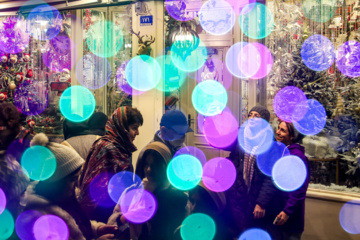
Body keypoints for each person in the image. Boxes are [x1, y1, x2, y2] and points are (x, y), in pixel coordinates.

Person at [22, 133, 117, 240]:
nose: (77, 184)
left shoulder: (64, 200)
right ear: (56, 183)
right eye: (73, 179)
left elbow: (77, 224)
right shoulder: (40, 218)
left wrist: (97, 229)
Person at [78, 106, 143, 223]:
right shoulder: (106, 147)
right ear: (122, 127)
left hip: (117, 212)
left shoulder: (123, 148)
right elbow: (94, 186)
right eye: (134, 128)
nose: (137, 133)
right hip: (101, 214)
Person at [225, 106, 276, 236]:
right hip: (238, 193)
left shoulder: (270, 143)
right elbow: (222, 143)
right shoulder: (240, 136)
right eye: (250, 115)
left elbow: (270, 177)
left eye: (256, 116)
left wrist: (261, 203)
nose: (252, 118)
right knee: (238, 230)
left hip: (256, 197)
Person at [134, 141, 188, 240]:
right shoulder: (142, 187)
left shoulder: (174, 196)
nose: (149, 169)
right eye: (146, 164)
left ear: (166, 165)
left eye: (155, 165)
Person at [266, 121, 310, 240]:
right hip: (276, 214)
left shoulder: (297, 156)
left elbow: (300, 189)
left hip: (290, 219)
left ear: (292, 137)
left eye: (283, 130)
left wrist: (287, 211)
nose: (278, 132)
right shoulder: (281, 151)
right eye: (278, 128)